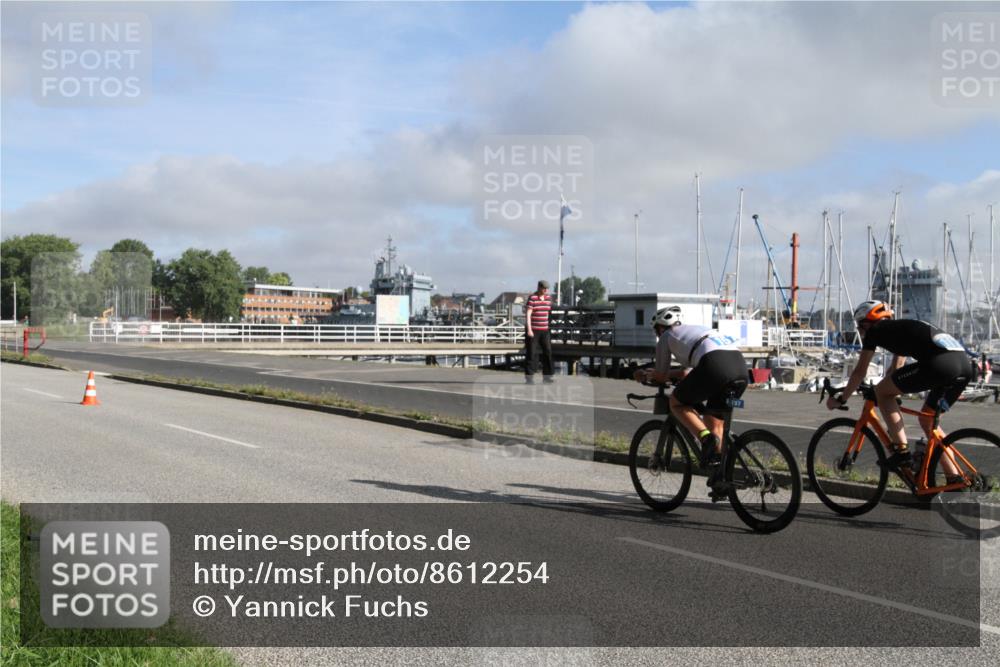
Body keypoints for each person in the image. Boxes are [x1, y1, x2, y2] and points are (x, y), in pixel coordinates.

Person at [825, 300, 973, 482]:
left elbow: (859, 371)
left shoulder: (875, 331)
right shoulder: (900, 328)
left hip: (939, 365)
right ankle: (955, 478)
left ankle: (902, 452)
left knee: (883, 393)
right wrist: (886, 388)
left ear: (867, 322)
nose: (860, 331)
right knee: (928, 420)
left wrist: (842, 398)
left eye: (860, 327)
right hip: (964, 367)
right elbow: (897, 368)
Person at [633, 305, 748, 471]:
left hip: (714, 366)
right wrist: (671, 373)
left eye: (656, 331)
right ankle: (721, 474)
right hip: (739, 368)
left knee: (676, 402)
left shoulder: (666, 336)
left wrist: (643, 374)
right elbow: (686, 373)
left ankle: (706, 439)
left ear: (659, 328)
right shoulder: (696, 330)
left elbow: (661, 376)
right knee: (713, 421)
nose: (657, 334)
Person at [524, 280, 554, 384]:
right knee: (531, 353)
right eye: (544, 288)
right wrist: (529, 330)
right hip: (533, 330)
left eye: (547, 289)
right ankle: (529, 378)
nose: (546, 290)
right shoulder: (532, 298)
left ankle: (547, 377)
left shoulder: (548, 298)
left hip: (544, 330)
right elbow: (528, 314)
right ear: (539, 287)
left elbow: (547, 313)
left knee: (548, 352)